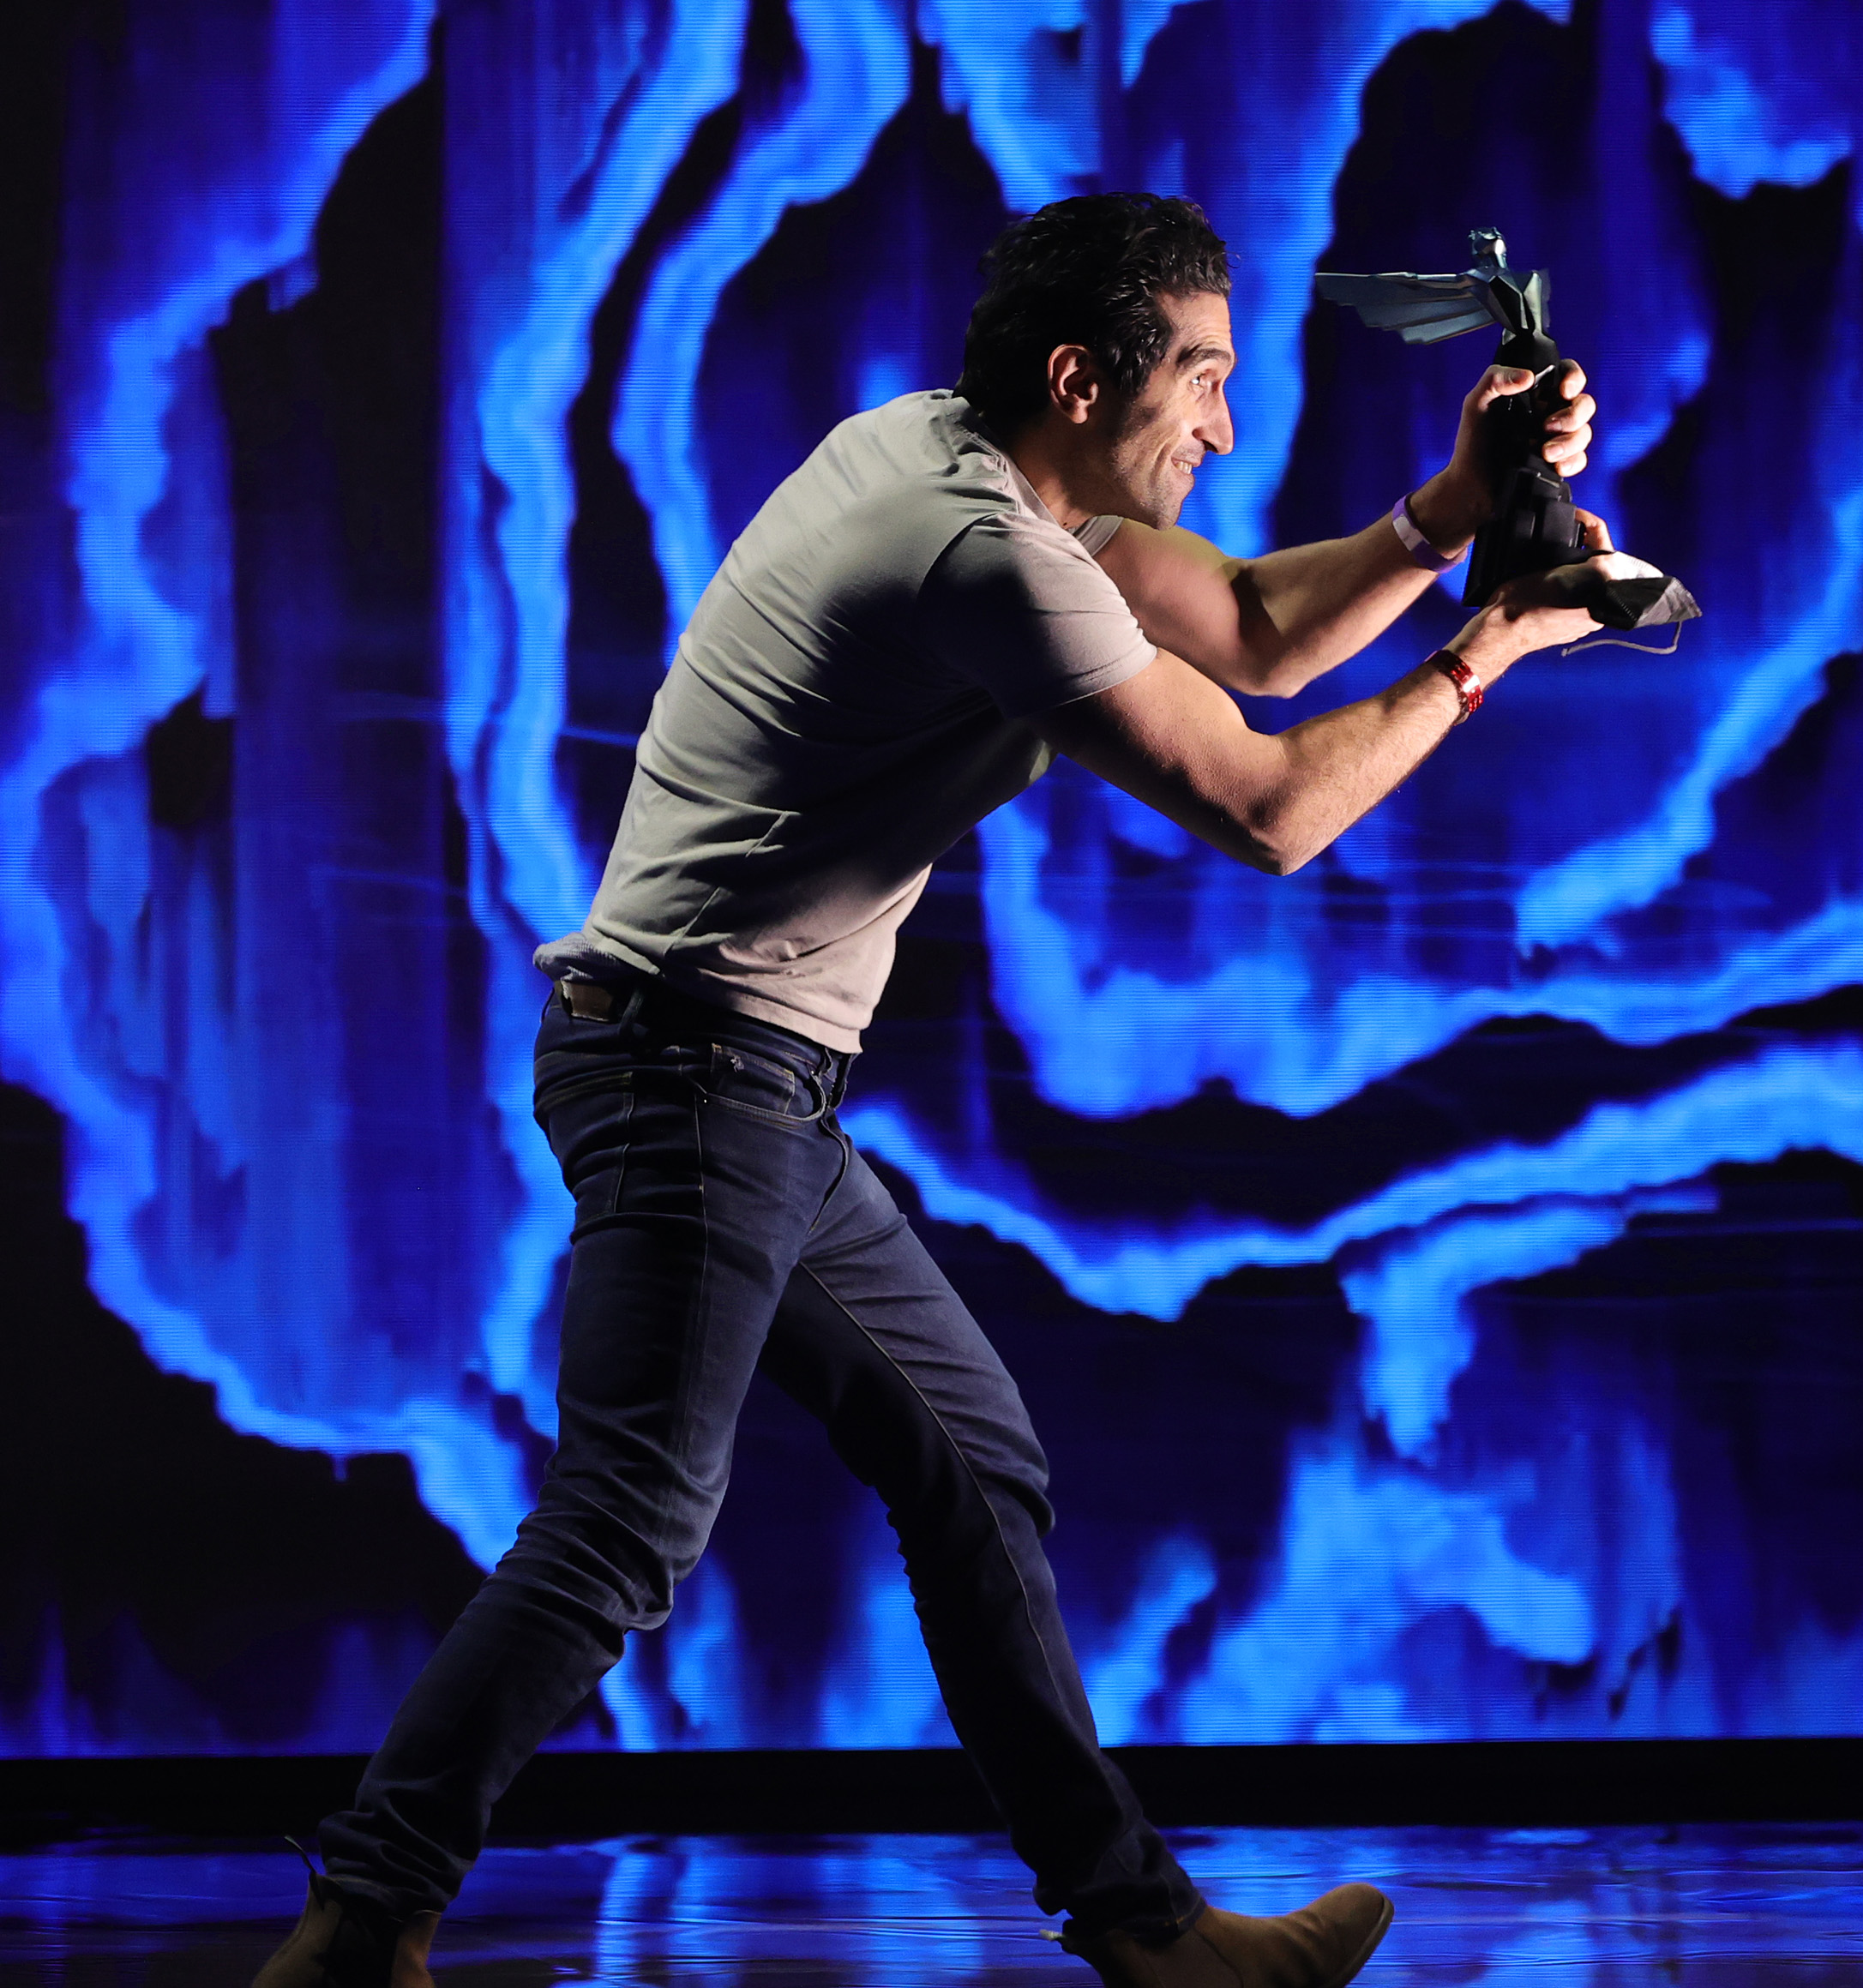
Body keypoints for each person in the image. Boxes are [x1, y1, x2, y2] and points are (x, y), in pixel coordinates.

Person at [254, 190, 1639, 1988]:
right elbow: (1272, 804)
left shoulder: (939, 457)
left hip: (732, 1078)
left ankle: (1146, 1933)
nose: (1221, 426)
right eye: (1200, 383)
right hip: (698, 1071)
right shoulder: (977, 553)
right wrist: (1492, 647)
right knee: (625, 1519)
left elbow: (1243, 624)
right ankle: (361, 1924)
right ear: (1082, 377)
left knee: (972, 1463)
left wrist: (1445, 516)